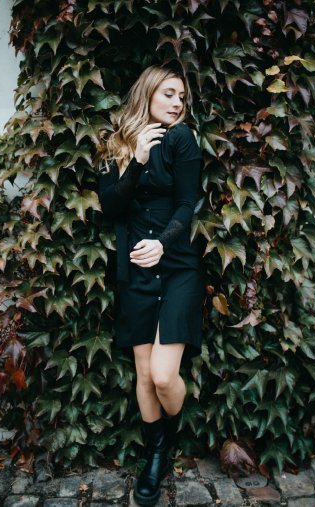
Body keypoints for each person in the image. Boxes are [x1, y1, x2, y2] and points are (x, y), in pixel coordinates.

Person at [97, 64, 205, 506]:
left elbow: (187, 203)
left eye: (181, 96)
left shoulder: (182, 139)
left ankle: (169, 437)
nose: (178, 103)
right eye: (169, 94)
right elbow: (110, 207)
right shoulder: (115, 145)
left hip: (176, 264)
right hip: (136, 269)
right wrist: (136, 161)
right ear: (147, 93)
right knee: (143, 374)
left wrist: (162, 244)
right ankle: (156, 455)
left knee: (163, 375)